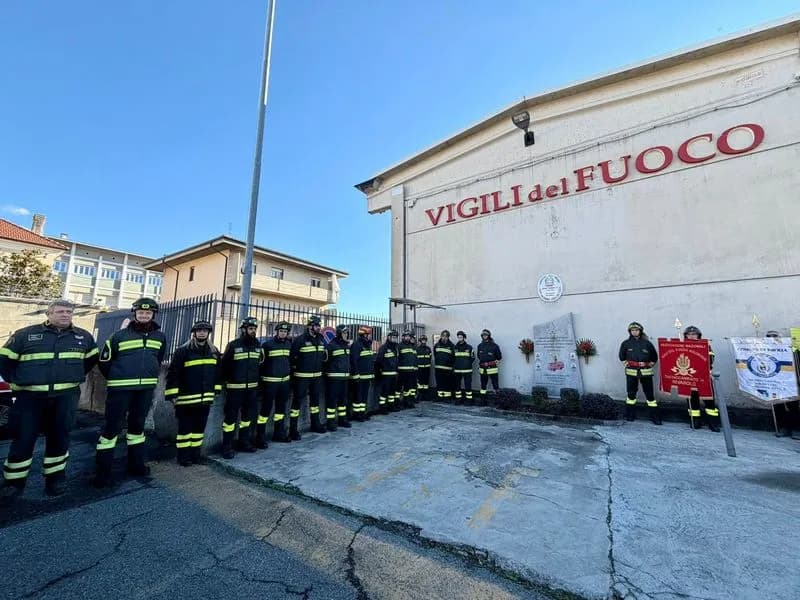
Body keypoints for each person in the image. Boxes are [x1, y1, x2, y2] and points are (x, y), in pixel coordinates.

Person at [0, 300, 98, 500]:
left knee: (60, 437)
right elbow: (4, 362)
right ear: (48, 313)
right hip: (30, 398)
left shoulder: (83, 337)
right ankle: (14, 483)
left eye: (69, 312)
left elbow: (90, 361)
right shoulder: (25, 335)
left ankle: (55, 479)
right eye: (60, 311)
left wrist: (70, 378)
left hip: (65, 398)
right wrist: (19, 381)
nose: (65, 315)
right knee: (23, 438)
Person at [95, 297, 167, 487]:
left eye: (148, 313)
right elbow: (104, 361)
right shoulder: (118, 336)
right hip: (120, 389)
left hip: (145, 390)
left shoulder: (160, 337)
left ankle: (136, 465)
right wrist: (117, 377)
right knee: (111, 429)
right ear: (135, 314)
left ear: (153, 315)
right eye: (141, 312)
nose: (144, 315)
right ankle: (103, 472)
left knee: (137, 428)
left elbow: (158, 359)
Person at [165, 319, 222, 466]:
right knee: (185, 430)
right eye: (199, 330)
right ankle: (183, 457)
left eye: (205, 330)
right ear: (194, 333)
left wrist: (216, 389)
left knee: (198, 430)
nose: (202, 333)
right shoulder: (183, 351)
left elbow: (218, 373)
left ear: (208, 333)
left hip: (205, 399)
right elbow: (173, 373)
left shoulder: (214, 352)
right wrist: (172, 394)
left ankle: (195, 455)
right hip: (186, 399)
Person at [220, 316, 263, 458]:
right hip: (235, 389)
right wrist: (223, 384)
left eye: (254, 328)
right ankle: (227, 446)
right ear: (243, 330)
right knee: (230, 419)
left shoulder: (258, 346)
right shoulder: (233, 345)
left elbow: (260, 367)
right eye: (250, 328)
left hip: (252, 390)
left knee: (247, 418)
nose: (253, 331)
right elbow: (224, 366)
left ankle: (244, 442)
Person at [291, 315, 328, 434]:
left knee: (315, 403)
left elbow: (324, 357)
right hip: (302, 378)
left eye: (319, 325)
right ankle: (293, 429)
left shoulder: (321, 339)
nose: (318, 328)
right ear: (310, 326)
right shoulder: (300, 340)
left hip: (316, 377)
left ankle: (315, 424)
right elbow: (292, 358)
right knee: (297, 403)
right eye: (316, 325)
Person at [618, 321, 661, 425]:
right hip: (631, 373)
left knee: (650, 395)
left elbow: (654, 357)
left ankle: (655, 418)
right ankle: (630, 416)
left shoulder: (647, 343)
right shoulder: (626, 344)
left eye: (636, 330)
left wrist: (648, 364)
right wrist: (628, 364)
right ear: (630, 332)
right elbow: (621, 356)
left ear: (640, 331)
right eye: (632, 330)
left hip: (646, 372)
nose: (634, 332)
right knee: (631, 395)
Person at [260, 321, 293, 443]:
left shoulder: (289, 345)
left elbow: (290, 362)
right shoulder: (267, 345)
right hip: (270, 383)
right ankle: (260, 437)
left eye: (285, 331)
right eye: (281, 331)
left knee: (280, 410)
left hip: (284, 384)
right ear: (277, 332)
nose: (283, 333)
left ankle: (279, 434)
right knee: (265, 410)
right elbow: (261, 365)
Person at [682, 325, 719, 432]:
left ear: (698, 335)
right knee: (692, 401)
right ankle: (695, 421)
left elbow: (711, 359)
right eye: (689, 334)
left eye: (694, 334)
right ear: (686, 336)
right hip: (690, 378)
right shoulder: (682, 345)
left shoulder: (705, 345)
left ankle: (713, 423)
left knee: (709, 401)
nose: (691, 336)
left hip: (703, 378)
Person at [766, 329, 799, 438]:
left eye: (774, 336)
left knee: (793, 406)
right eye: (769, 337)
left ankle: (796, 429)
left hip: (789, 382)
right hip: (775, 383)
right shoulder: (765, 350)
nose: (772, 338)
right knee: (778, 406)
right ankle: (783, 428)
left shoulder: (788, 348)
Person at [325, 324, 352, 430]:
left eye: (347, 333)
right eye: (344, 333)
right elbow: (326, 361)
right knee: (332, 400)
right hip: (334, 378)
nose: (346, 335)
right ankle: (330, 422)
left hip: (344, 378)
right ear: (339, 333)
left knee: (343, 400)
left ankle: (342, 419)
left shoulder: (346, 345)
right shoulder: (331, 345)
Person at [349, 326, 375, 421]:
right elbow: (353, 361)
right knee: (358, 397)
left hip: (367, 377)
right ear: (364, 335)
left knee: (364, 397)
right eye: (369, 334)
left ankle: (362, 413)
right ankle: (357, 414)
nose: (370, 336)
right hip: (359, 377)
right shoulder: (357, 345)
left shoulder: (367, 345)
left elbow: (369, 361)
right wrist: (356, 375)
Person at [375, 330, 400, 413]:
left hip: (394, 374)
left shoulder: (395, 348)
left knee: (392, 392)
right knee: (384, 392)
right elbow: (378, 361)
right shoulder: (383, 347)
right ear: (389, 337)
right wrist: (379, 372)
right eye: (393, 337)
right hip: (386, 374)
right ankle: (382, 408)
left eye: (396, 337)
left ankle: (391, 406)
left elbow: (396, 360)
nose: (395, 339)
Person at [477, 329, 502, 403]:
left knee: (495, 386)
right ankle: (483, 401)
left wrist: (493, 361)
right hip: (483, 369)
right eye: (483, 335)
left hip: (492, 368)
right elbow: (479, 356)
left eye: (486, 335)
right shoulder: (480, 346)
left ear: (489, 336)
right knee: (483, 386)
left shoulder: (494, 346)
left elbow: (499, 357)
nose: (484, 336)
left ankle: (497, 401)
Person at [397, 330, 418, 409]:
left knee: (408, 388)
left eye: (409, 336)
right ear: (403, 337)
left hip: (410, 371)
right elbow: (397, 358)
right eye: (406, 336)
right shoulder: (399, 346)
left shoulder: (411, 346)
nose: (408, 338)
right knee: (399, 388)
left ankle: (407, 402)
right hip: (401, 371)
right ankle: (397, 403)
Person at [453, 331, 475, 404]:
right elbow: (452, 358)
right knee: (457, 385)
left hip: (467, 370)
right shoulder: (455, 347)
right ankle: (458, 399)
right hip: (457, 370)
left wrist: (467, 364)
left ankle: (469, 400)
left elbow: (473, 358)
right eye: (458, 337)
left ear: (464, 337)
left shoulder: (469, 347)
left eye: (461, 337)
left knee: (468, 385)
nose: (460, 338)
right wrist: (455, 365)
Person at [434, 330, 455, 402]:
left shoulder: (451, 346)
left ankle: (447, 397)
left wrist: (451, 366)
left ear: (448, 337)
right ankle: (439, 396)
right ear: (441, 336)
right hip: (438, 368)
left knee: (447, 383)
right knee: (439, 382)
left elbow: (454, 357)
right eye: (443, 336)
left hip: (448, 369)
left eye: (446, 336)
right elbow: (435, 354)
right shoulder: (437, 345)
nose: (444, 338)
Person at [416, 335, 432, 401]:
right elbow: (415, 358)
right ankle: (420, 395)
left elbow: (430, 357)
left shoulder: (428, 349)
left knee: (426, 382)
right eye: (422, 340)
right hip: (420, 368)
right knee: (420, 382)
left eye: (425, 340)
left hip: (427, 368)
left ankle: (425, 395)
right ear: (420, 340)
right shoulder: (417, 349)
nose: (424, 341)